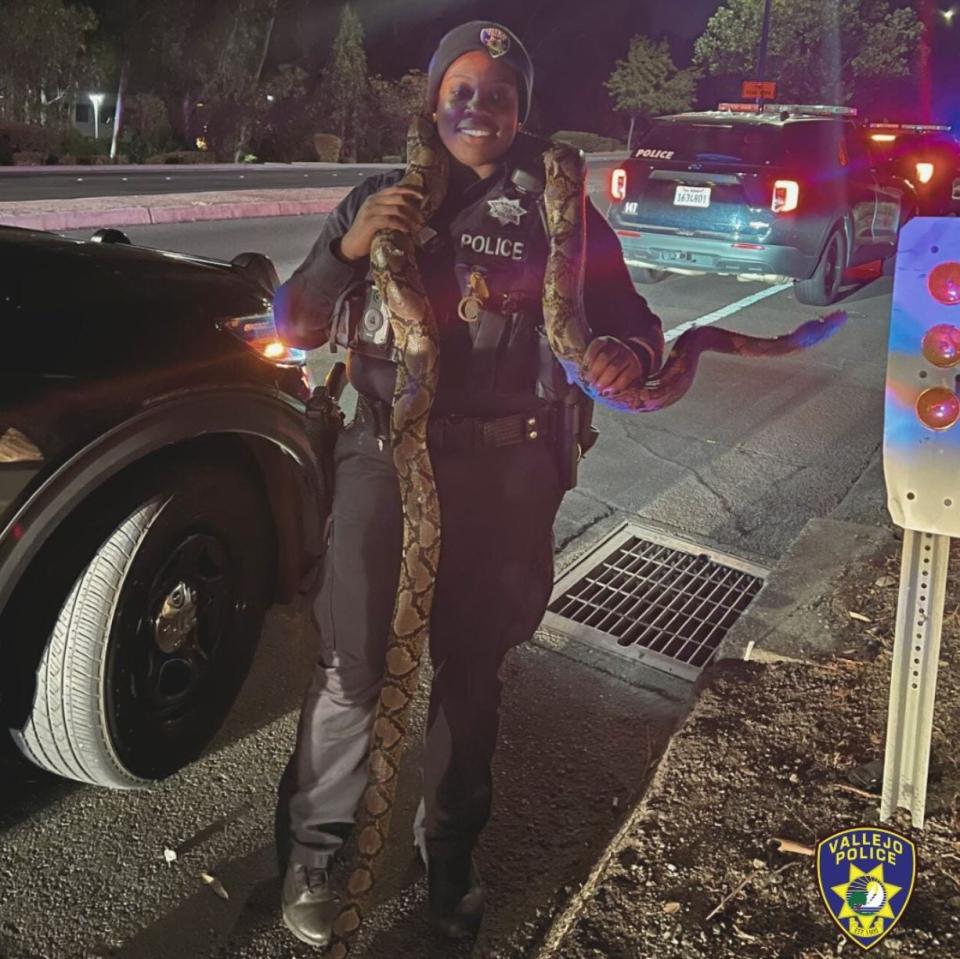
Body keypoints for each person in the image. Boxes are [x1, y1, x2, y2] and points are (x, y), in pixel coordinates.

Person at [273, 20, 664, 949]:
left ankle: (449, 852)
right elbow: (292, 322)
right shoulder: (382, 197)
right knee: (353, 667)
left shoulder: (557, 207)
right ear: (433, 98)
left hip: (509, 471)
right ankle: (319, 852)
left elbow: (633, 323)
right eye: (461, 87)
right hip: (382, 459)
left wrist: (626, 354)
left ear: (522, 108)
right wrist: (344, 251)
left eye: (499, 92)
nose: (478, 106)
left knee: (470, 676)